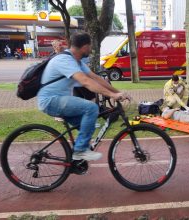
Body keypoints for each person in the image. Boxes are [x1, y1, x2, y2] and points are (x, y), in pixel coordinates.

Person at [37, 32, 129, 161]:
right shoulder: (65, 60)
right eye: (90, 47)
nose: (91, 50)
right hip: (50, 101)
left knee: (90, 125)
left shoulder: (76, 61)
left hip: (59, 100)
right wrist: (112, 95)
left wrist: (118, 92)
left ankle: (76, 160)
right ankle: (80, 151)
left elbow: (96, 78)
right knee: (91, 108)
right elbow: (86, 82)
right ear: (85, 46)